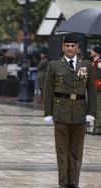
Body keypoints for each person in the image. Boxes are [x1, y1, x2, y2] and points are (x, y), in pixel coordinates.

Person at [43, 34, 97, 188]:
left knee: (77, 151)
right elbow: (48, 90)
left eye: (73, 46)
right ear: (63, 47)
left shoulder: (86, 65)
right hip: (61, 113)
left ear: (77, 48)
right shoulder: (54, 65)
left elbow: (92, 91)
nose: (70, 49)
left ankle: (74, 182)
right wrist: (48, 113)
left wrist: (91, 112)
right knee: (62, 150)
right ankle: (63, 182)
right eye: (67, 46)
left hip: (80, 113)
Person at [90, 46, 101, 134]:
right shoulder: (94, 61)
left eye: (92, 51)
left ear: (96, 52)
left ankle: (98, 128)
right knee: (95, 108)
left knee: (98, 108)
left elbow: (99, 76)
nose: (91, 52)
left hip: (98, 88)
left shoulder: (99, 62)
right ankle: (95, 127)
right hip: (94, 88)